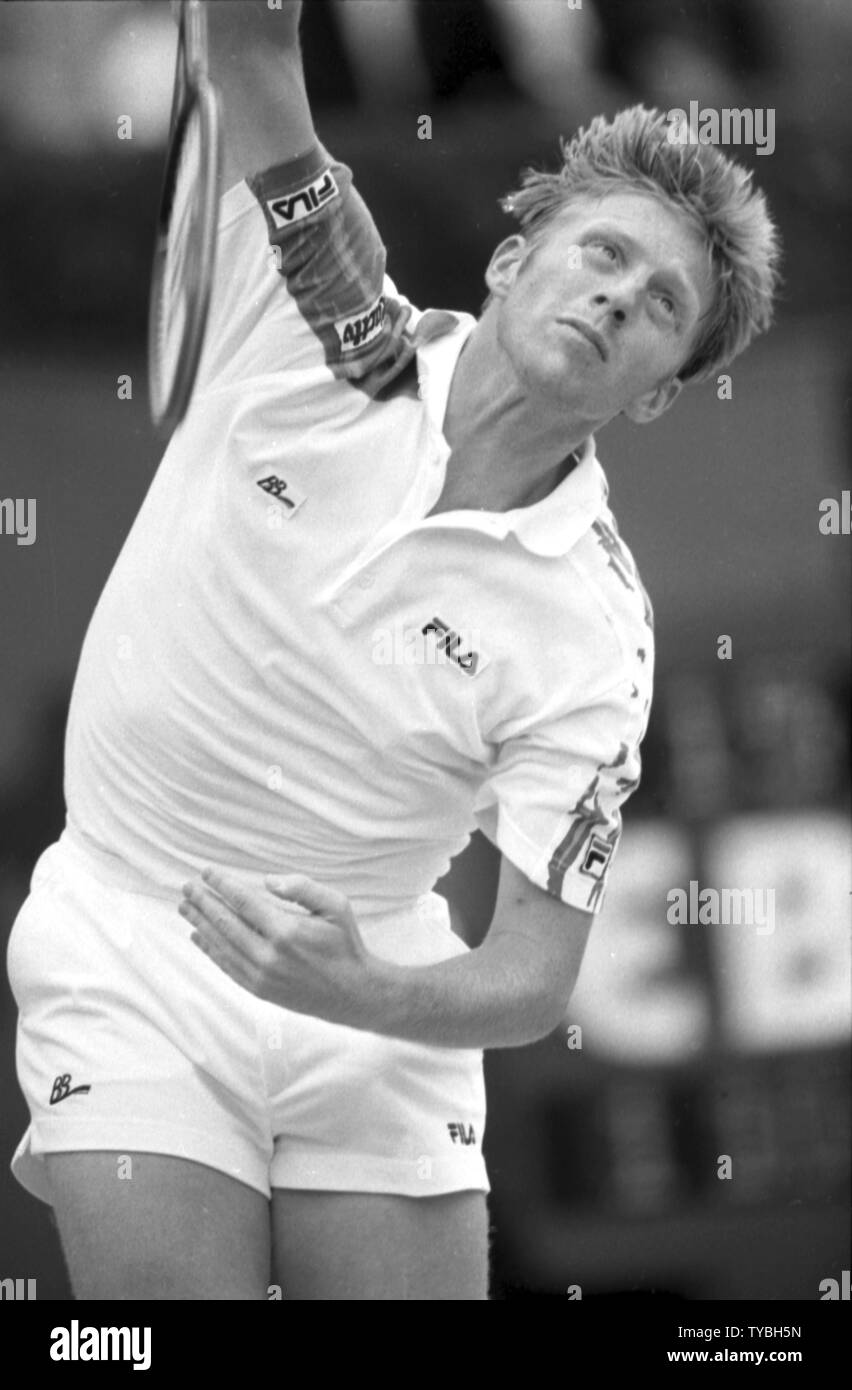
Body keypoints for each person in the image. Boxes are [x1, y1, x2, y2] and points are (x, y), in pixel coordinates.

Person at [6, 1, 779, 1300]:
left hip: (378, 991)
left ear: (655, 392)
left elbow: (532, 981)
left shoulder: (594, 629)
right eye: (600, 253)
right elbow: (248, 45)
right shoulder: (330, 312)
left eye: (658, 306)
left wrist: (360, 987)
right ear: (511, 261)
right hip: (128, 933)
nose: (614, 297)